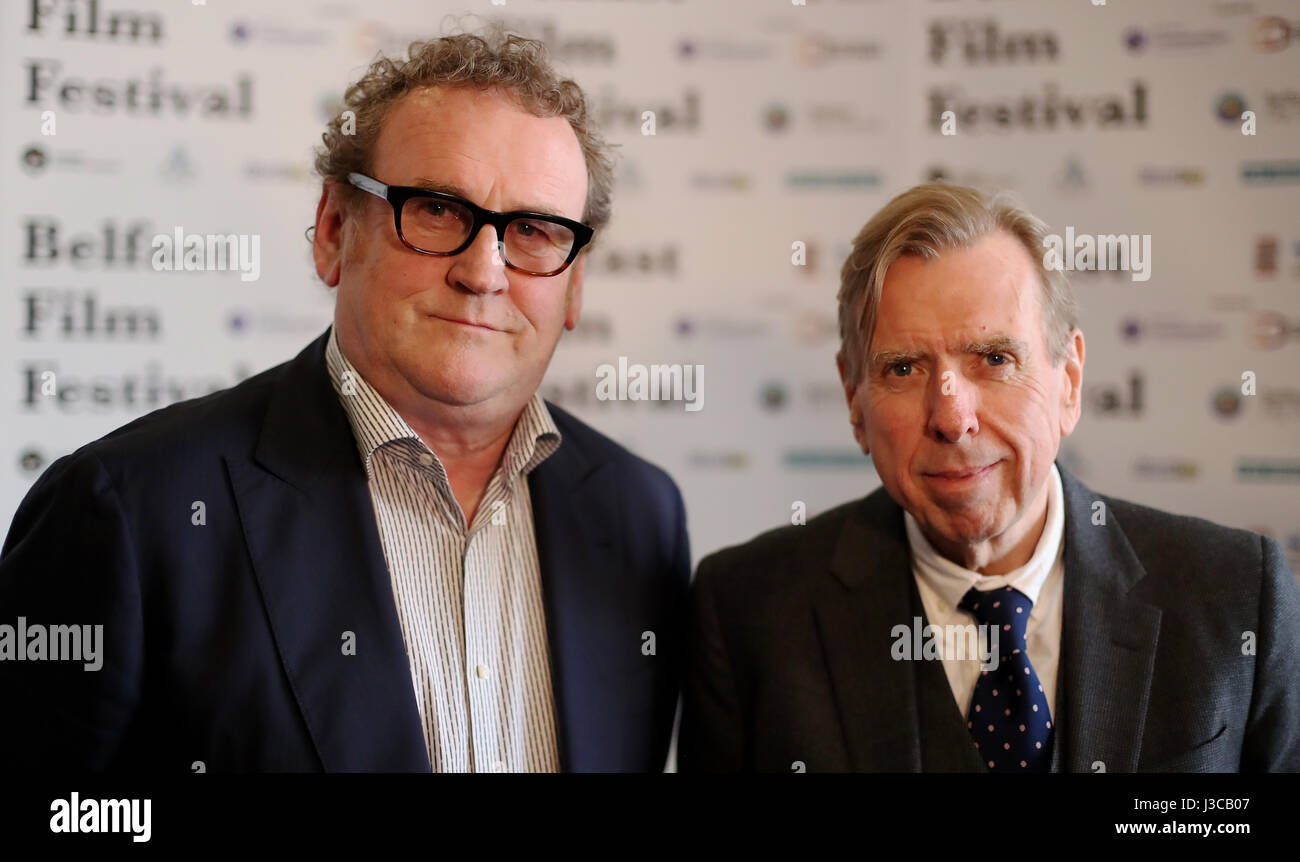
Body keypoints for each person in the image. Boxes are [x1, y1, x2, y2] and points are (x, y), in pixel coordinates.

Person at [0, 27, 690, 773]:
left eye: (533, 230)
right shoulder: (128, 511)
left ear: (575, 282)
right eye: (436, 211)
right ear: (334, 229)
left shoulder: (638, 515)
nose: (484, 273)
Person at [679, 182, 1300, 772]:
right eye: (903, 368)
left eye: (995, 359)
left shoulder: (1239, 597)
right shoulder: (749, 613)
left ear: (1070, 381)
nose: (952, 418)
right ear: (853, 398)